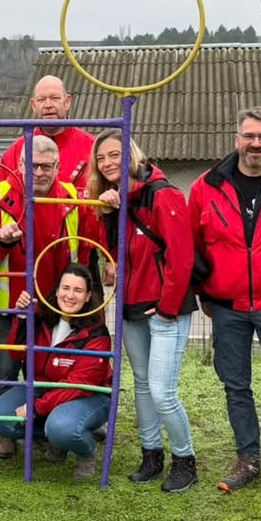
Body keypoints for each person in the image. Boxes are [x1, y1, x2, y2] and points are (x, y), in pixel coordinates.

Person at [189, 106, 261, 516]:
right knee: (235, 386)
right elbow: (193, 246)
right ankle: (248, 459)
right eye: (249, 136)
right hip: (228, 308)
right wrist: (204, 292)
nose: (256, 144)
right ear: (236, 139)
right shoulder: (206, 186)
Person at [88, 131, 199, 493]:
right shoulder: (120, 200)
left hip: (164, 309)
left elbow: (181, 257)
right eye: (101, 158)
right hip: (132, 306)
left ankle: (185, 459)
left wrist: (167, 309)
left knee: (163, 391)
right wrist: (108, 214)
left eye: (114, 154)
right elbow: (112, 257)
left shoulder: (163, 194)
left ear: (132, 154)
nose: (107, 163)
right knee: (142, 385)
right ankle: (151, 454)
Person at [0, 134, 99, 457]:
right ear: (19, 165)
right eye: (32, 166)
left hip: (57, 308)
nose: (39, 173)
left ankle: (49, 432)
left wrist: (75, 296)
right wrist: (1, 241)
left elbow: (86, 247)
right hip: (10, 305)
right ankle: (6, 432)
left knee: (51, 371)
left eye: (46, 166)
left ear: (58, 166)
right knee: (5, 369)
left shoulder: (71, 198)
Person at [0, 263, 112, 480]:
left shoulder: (96, 335)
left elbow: (77, 386)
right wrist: (22, 317)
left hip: (88, 396)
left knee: (62, 427)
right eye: (65, 288)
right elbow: (15, 353)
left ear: (88, 296)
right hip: (43, 388)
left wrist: (34, 408)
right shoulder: (43, 317)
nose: (70, 296)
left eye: (78, 290)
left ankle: (85, 450)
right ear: (56, 290)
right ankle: (56, 438)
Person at [0, 75, 95, 196]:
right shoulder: (14, 153)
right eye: (41, 99)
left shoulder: (92, 148)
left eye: (55, 98)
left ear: (67, 102)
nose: (48, 105)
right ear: (33, 105)